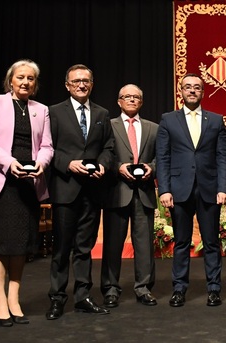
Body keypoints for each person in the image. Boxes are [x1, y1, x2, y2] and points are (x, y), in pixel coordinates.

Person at [0, 59, 54, 327]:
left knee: (20, 242)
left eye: (30, 79)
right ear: (11, 80)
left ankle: (14, 298)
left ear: (35, 84)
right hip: (1, 180)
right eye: (20, 77)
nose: (25, 82)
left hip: (28, 183)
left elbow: (47, 146)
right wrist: (10, 164)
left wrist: (40, 164)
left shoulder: (40, 110)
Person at [45, 64, 115, 320]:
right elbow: (47, 148)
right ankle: (56, 298)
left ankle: (83, 296)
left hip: (93, 190)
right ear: (67, 85)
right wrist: (68, 163)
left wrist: (103, 165)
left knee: (84, 248)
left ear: (92, 84)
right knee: (62, 248)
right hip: (65, 189)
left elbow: (109, 147)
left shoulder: (102, 113)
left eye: (86, 81)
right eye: (76, 81)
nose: (81, 85)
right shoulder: (53, 112)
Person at [156, 73, 226, 307]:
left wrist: (224, 187)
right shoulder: (168, 120)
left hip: (209, 189)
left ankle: (214, 289)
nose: (192, 91)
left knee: (211, 242)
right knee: (181, 242)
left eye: (196, 87)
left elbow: (223, 157)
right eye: (187, 87)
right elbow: (163, 157)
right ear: (180, 91)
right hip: (179, 190)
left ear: (203, 92)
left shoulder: (216, 120)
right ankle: (179, 289)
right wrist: (164, 190)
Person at [101, 84, 158, 307]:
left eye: (136, 97)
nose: (132, 100)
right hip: (116, 191)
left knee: (144, 244)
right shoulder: (108, 125)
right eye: (127, 97)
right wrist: (118, 167)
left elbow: (160, 158)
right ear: (119, 101)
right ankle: (110, 288)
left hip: (143, 193)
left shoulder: (154, 128)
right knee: (113, 244)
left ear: (141, 102)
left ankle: (143, 288)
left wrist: (152, 168)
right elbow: (103, 154)